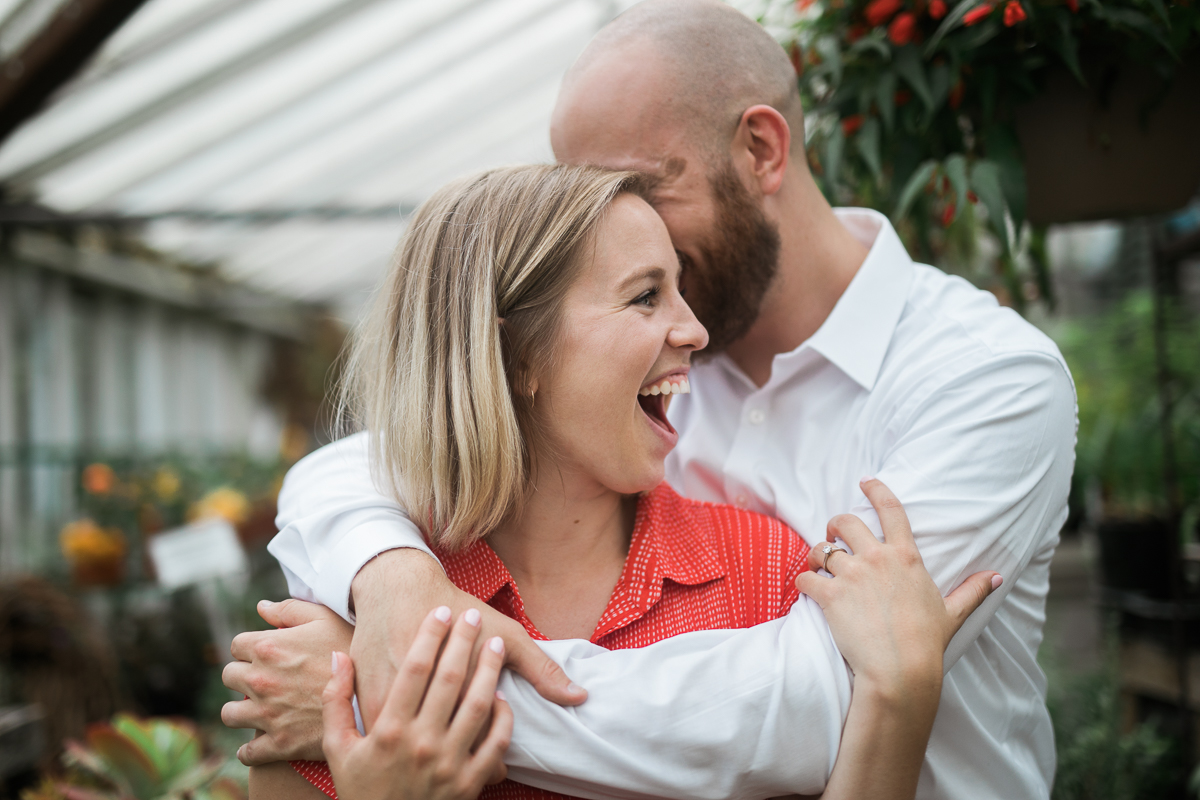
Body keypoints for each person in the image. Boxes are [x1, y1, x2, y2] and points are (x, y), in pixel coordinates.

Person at [223, 2, 1077, 798]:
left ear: (761, 151)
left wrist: (408, 695)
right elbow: (363, 464)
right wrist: (392, 577)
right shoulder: (615, 391)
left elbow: (821, 704)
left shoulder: (982, 380)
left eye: (633, 182)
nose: (601, 218)